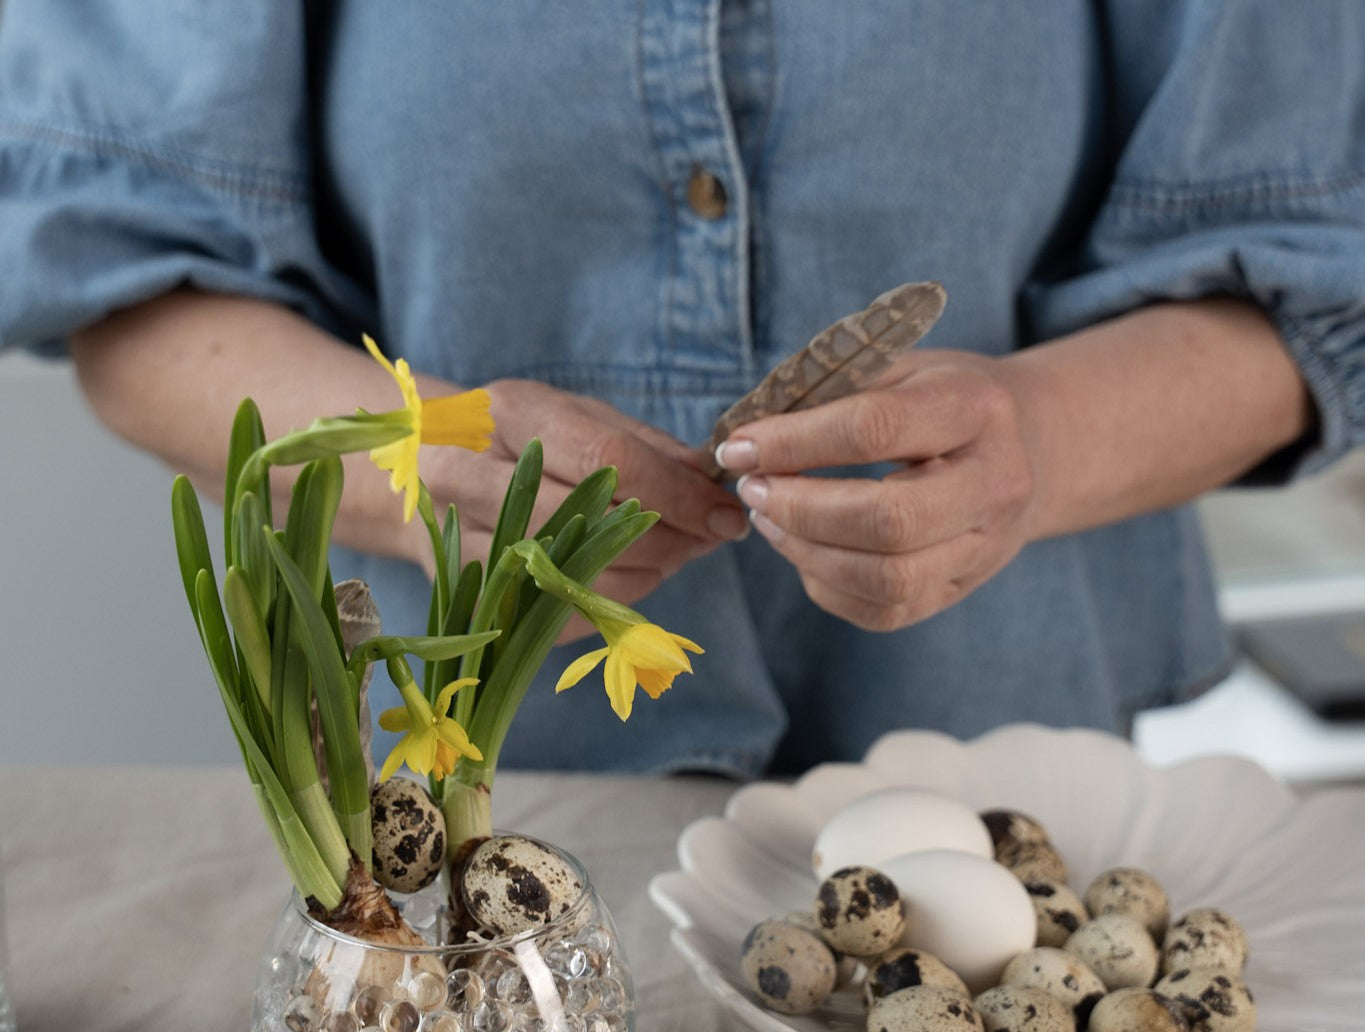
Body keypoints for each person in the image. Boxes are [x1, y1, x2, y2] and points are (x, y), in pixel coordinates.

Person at [1, 3, 1362, 777]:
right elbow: (122, 273)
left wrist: (1043, 439)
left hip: (1005, 786)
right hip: (456, 826)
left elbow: (1315, 276)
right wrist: (417, 465)